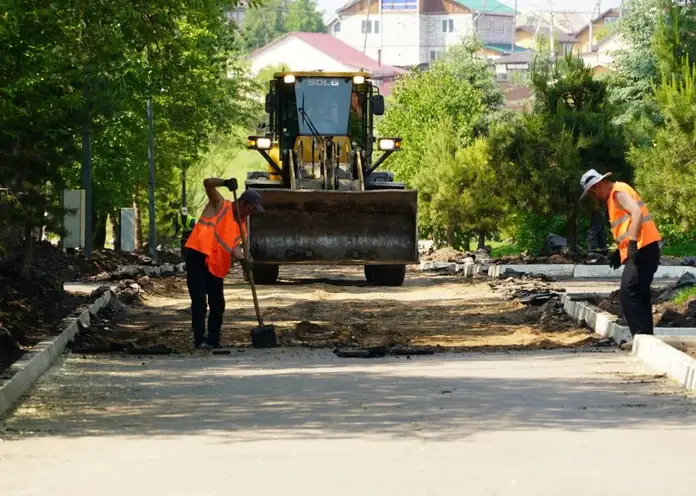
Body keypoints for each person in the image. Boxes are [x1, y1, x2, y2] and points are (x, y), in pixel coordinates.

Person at [580, 169, 662, 347]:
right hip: (642, 247)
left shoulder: (617, 192)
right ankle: (645, 338)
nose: (594, 197)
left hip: (642, 247)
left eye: (593, 192)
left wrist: (632, 242)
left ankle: (641, 338)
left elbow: (637, 213)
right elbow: (625, 225)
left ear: (599, 184)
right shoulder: (613, 197)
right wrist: (620, 251)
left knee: (629, 291)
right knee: (639, 292)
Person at [184, 178, 263, 349]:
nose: (252, 213)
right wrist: (225, 182)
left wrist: (243, 260)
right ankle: (200, 339)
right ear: (243, 202)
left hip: (216, 266)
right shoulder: (220, 204)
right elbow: (207, 183)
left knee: (218, 304)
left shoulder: (242, 227)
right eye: (252, 208)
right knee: (199, 301)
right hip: (198, 256)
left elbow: (234, 248)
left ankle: (214, 339)